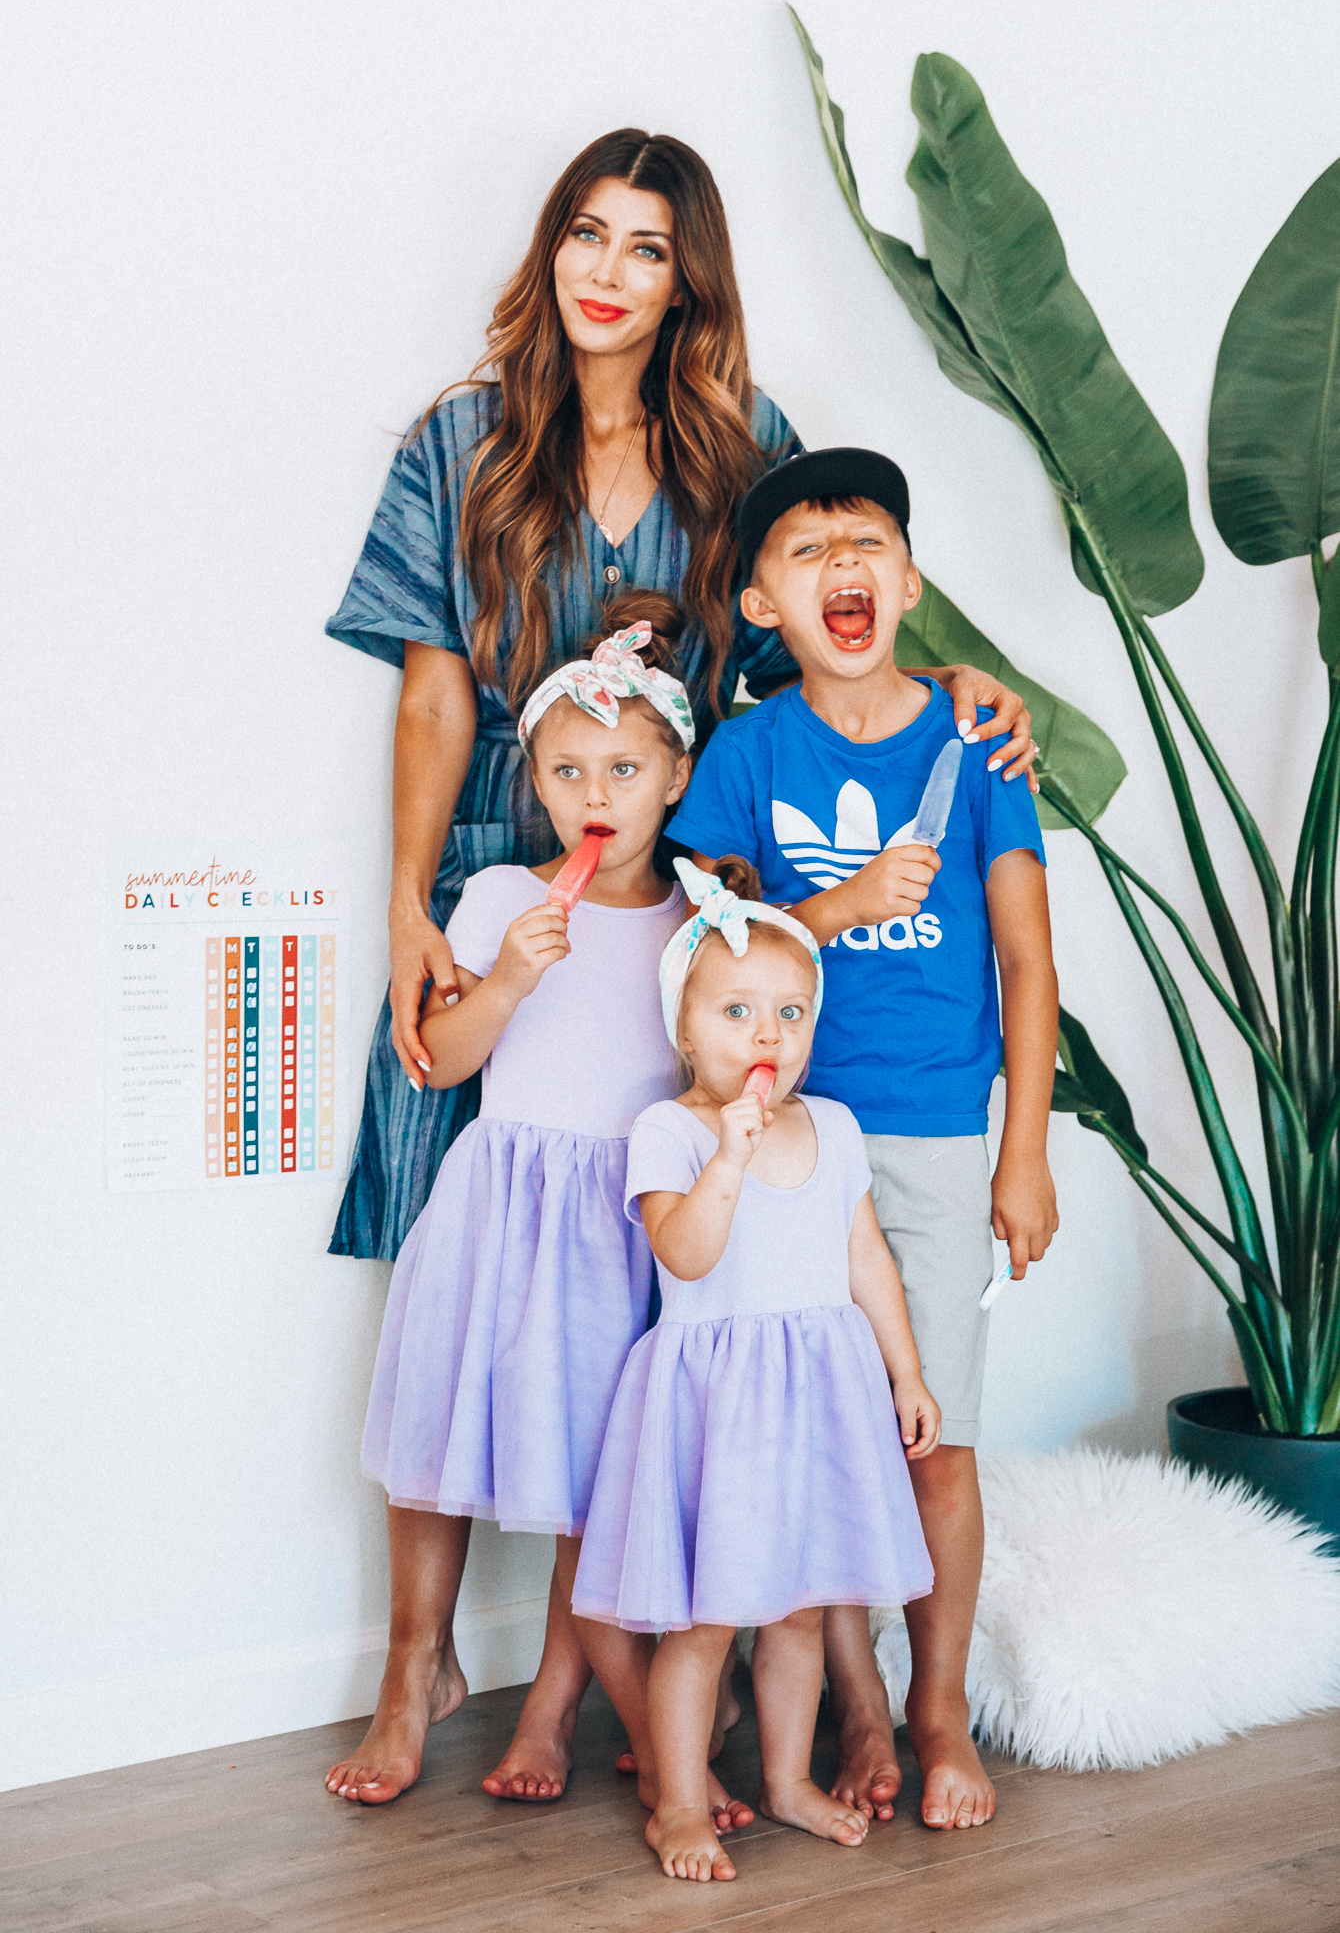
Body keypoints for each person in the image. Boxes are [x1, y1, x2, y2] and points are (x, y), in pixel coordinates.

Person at [324, 126, 1036, 1799]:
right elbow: (435, 693)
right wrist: (415, 899)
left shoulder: (742, 446)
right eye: (587, 231)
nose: (608, 270)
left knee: (642, 1315)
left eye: (648, 246)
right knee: (449, 1314)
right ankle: (415, 1662)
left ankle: (643, 1678)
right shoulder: (464, 439)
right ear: (552, 248)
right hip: (510, 902)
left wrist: (964, 697)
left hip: (684, 928)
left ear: (686, 278)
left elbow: (824, 602)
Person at [667, 447, 1060, 1834]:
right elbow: (706, 940)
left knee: (928, 1434)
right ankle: (854, 1706)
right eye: (808, 547)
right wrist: (831, 911)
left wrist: (1024, 1151)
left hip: (939, 1134)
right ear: (764, 604)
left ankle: (938, 1710)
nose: (845, 563)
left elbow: (1026, 959)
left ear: (908, 581)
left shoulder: (977, 746)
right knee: (811, 1428)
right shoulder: (748, 751)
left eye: (870, 540)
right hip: (784, 1139)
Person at [329, 607, 743, 1830]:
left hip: (622, 1220)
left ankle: (553, 1703)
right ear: (537, 785)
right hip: (501, 1207)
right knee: (430, 1447)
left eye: (622, 769)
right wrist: (509, 973)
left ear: (675, 777)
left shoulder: (698, 924)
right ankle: (416, 1667)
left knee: (584, 1473)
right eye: (566, 771)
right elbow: (440, 1064)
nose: (593, 794)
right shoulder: (501, 892)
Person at [572, 863, 940, 1883]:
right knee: (705, 1618)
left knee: (802, 1611)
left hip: (820, 1396)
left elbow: (866, 1256)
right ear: (684, 1029)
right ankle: (678, 1799)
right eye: (736, 1011)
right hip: (716, 1403)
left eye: (788, 1010)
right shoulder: (672, 1130)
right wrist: (725, 1159)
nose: (765, 1034)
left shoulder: (832, 1127)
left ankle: (784, 1778)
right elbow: (683, 1255)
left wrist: (903, 1372)